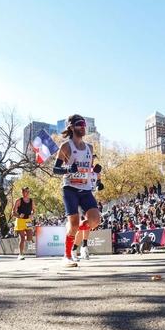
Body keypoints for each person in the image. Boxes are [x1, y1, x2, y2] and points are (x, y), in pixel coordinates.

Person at [52, 114, 104, 267]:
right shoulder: (66, 146)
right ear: (72, 127)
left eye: (84, 124)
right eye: (80, 124)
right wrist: (68, 168)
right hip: (70, 189)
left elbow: (88, 168)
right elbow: (56, 169)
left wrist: (95, 169)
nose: (83, 127)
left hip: (86, 189)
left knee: (95, 221)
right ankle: (67, 255)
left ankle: (73, 226)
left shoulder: (90, 147)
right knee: (74, 225)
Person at [13, 186, 35, 260]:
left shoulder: (31, 201)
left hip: (28, 220)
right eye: (25, 191)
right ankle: (20, 254)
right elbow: (13, 212)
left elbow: (34, 211)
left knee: (30, 237)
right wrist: (18, 216)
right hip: (20, 221)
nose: (27, 193)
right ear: (22, 192)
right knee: (22, 238)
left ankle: (25, 239)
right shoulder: (18, 200)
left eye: (28, 191)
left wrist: (32, 215)